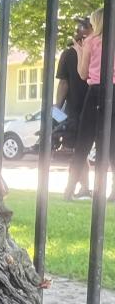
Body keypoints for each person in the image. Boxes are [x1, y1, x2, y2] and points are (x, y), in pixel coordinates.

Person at [65, 8, 115, 201]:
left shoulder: (91, 42)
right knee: (112, 145)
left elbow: (83, 73)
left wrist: (78, 51)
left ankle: (69, 190)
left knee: (84, 142)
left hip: (95, 92)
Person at [57, 18, 92, 197]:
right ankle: (84, 187)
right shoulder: (99, 50)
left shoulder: (69, 54)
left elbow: (63, 84)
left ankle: (70, 189)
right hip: (95, 105)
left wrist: (57, 108)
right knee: (83, 151)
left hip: (77, 109)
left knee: (79, 151)